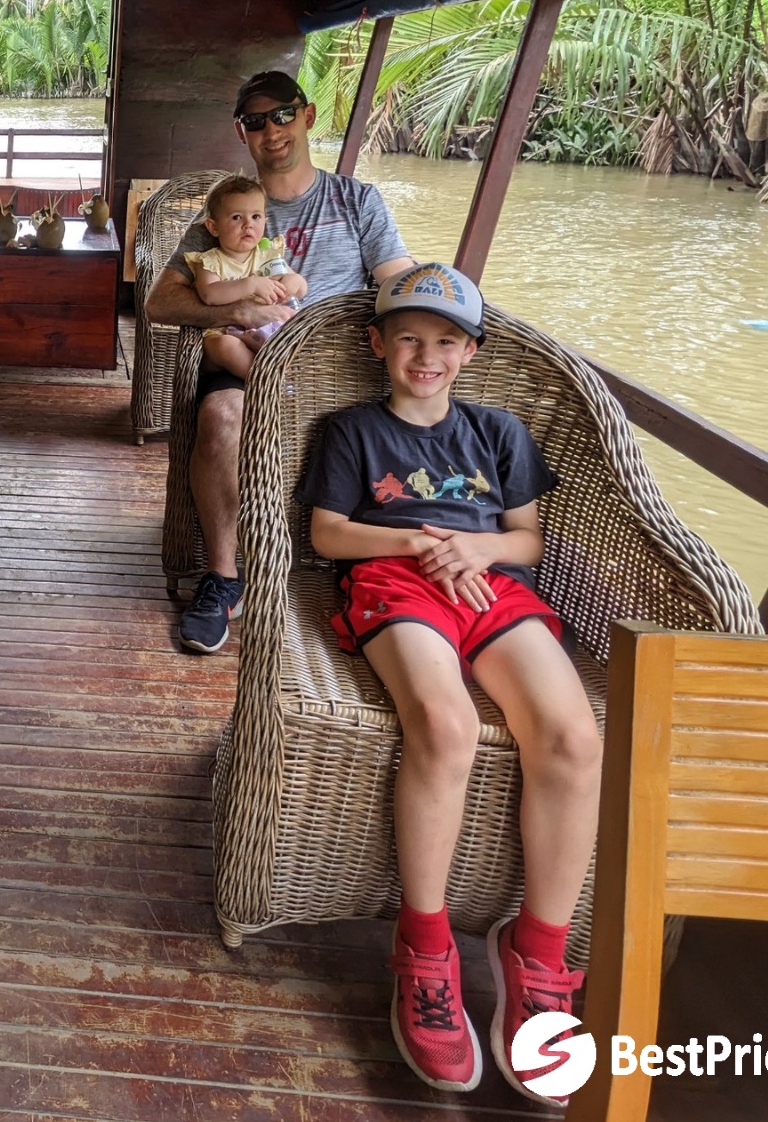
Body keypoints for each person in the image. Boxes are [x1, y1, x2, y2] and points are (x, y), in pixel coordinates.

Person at [296, 263, 600, 1107]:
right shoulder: (352, 430)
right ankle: (424, 949)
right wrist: (419, 547)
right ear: (378, 343)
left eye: (443, 340)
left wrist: (474, 551)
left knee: (574, 741)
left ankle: (538, 954)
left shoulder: (499, 432)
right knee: (446, 723)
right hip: (395, 585)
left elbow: (527, 539)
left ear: (468, 350)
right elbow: (327, 532)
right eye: (407, 338)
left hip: (491, 586)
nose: (424, 355)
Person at [145, 70, 416, 653]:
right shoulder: (229, 211)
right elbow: (160, 302)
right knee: (219, 417)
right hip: (245, 356)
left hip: (333, 357)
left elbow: (398, 284)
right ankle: (223, 577)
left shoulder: (357, 201)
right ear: (242, 133)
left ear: (309, 116)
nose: (272, 130)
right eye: (256, 121)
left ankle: (365, 563)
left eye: (283, 115)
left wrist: (435, 330)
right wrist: (235, 310)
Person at [185, 175, 306, 379]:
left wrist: (292, 283)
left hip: (269, 329)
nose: (248, 225)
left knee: (298, 328)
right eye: (236, 217)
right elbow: (209, 294)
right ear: (214, 227)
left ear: (265, 221)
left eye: (256, 217)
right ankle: (266, 382)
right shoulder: (212, 261)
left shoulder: (269, 255)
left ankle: (290, 372)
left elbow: (301, 287)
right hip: (227, 334)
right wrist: (250, 285)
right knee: (223, 346)